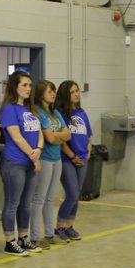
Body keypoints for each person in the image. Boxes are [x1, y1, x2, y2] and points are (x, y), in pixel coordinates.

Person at [0, 70, 43, 256]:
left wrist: (39, 150)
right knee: (13, 202)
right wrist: (34, 156)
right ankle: (10, 241)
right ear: (14, 87)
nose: (28, 89)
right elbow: (16, 137)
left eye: (30, 85)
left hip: (30, 161)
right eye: (24, 85)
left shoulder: (31, 109)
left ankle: (23, 238)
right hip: (14, 161)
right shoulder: (9, 108)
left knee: (26, 203)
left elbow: (39, 132)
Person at [29, 80, 70, 249]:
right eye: (49, 91)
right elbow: (50, 138)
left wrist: (57, 135)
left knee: (50, 198)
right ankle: (35, 236)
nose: (53, 94)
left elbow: (68, 134)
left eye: (54, 91)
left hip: (57, 158)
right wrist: (58, 135)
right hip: (45, 159)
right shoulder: (39, 113)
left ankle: (49, 233)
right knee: (39, 198)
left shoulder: (55, 113)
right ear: (41, 94)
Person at [55, 80, 94, 242]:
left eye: (77, 91)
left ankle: (70, 226)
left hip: (82, 159)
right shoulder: (60, 113)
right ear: (65, 94)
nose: (76, 94)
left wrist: (88, 153)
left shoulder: (82, 113)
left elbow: (89, 136)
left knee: (76, 194)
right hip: (67, 159)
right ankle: (59, 227)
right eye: (72, 92)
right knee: (71, 193)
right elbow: (61, 140)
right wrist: (72, 156)